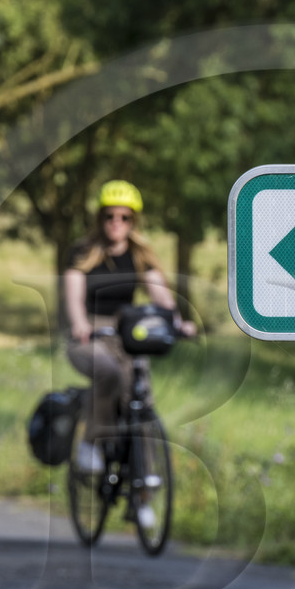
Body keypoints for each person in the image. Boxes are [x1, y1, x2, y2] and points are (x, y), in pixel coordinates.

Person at [63, 179, 194, 477]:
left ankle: (145, 481)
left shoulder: (139, 255)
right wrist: (79, 323)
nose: (116, 222)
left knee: (140, 399)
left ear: (133, 221)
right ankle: (90, 444)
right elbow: (73, 295)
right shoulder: (82, 252)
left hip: (126, 334)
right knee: (107, 373)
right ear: (100, 218)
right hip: (91, 334)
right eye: (109, 216)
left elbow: (161, 297)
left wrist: (177, 323)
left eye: (124, 217)